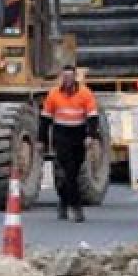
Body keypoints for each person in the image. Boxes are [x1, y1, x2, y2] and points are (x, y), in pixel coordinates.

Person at [39, 65, 100, 222]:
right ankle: (76, 207)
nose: (67, 80)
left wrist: (90, 136)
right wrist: (42, 140)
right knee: (70, 170)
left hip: (78, 135)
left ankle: (63, 202)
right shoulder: (53, 94)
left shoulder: (85, 93)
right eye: (64, 77)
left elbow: (93, 117)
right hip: (61, 135)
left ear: (74, 78)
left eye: (70, 77)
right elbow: (45, 120)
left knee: (73, 171)